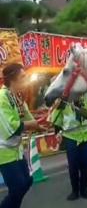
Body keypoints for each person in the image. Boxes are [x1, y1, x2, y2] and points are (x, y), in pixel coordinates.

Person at [0, 63, 45, 208]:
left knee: (27, 182)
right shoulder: (2, 98)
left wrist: (41, 126)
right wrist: (34, 124)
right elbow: (11, 127)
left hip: (16, 150)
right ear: (13, 79)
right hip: (4, 153)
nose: (26, 79)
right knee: (18, 187)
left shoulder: (17, 97)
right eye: (23, 77)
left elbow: (27, 117)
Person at [51, 93, 87, 201]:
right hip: (71, 136)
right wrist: (57, 132)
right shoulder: (63, 97)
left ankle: (84, 190)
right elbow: (56, 116)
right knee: (73, 166)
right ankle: (75, 191)